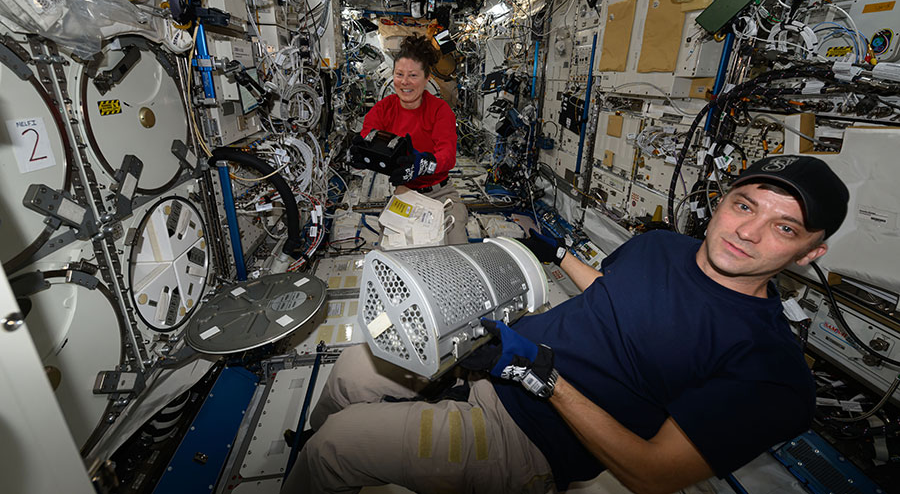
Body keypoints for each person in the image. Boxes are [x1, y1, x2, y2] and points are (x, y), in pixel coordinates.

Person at [281, 155, 849, 493]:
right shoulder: (661, 248)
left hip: (532, 437)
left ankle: (318, 466)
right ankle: (309, 462)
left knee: (339, 445)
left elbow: (652, 475)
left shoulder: (769, 368)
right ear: (721, 201)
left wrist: (540, 376)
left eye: (785, 228)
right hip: (500, 359)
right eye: (745, 205)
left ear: (809, 255)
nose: (747, 232)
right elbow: (615, 294)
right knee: (356, 365)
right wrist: (553, 254)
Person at [355, 35, 468, 244]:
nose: (405, 82)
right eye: (399, 74)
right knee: (390, 246)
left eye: (413, 75)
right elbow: (367, 135)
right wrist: (364, 151)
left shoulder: (440, 110)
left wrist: (421, 164)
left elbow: (447, 155)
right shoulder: (384, 108)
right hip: (404, 191)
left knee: (457, 240)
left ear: (427, 79)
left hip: (440, 192)